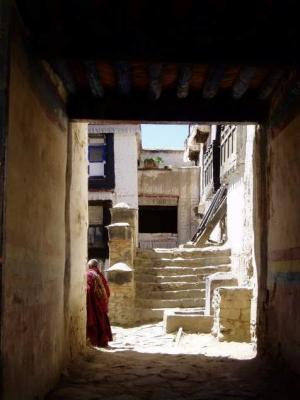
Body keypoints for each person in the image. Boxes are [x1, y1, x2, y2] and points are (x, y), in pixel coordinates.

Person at [86, 259, 113, 347]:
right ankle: (103, 342)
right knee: (102, 322)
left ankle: (94, 342)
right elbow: (107, 291)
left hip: (92, 303)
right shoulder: (99, 275)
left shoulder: (88, 274)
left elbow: (87, 289)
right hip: (100, 304)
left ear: (89, 266)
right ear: (97, 266)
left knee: (93, 320)